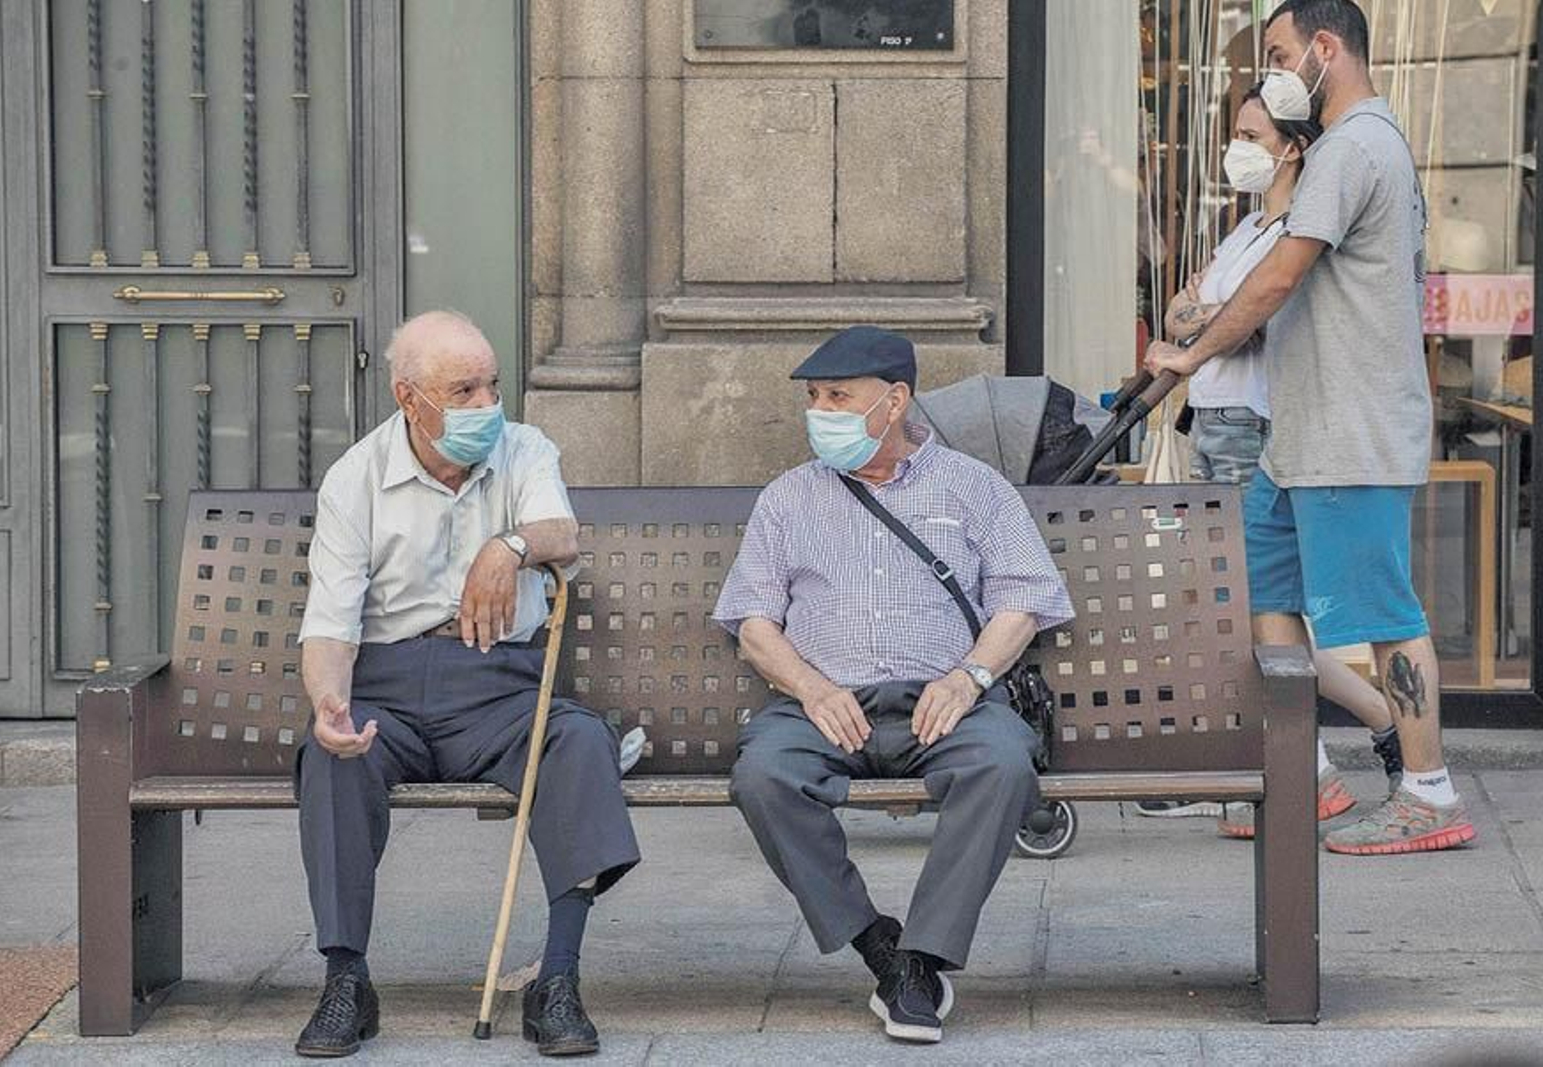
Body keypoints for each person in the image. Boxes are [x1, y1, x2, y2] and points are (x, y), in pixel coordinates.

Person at [1145, 0, 1475, 855]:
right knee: (1262, 601)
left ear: (1327, 50)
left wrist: (1191, 353)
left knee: (1385, 615)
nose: (1279, 71)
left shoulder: (1354, 148)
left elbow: (1276, 282)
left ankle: (1429, 792)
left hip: (1350, 431)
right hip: (1301, 437)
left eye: (1285, 54)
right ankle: (1307, 773)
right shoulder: (1353, 149)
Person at [293, 311, 640, 1057]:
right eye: (463, 389)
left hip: (499, 687)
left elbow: (562, 533)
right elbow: (330, 618)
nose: (487, 404)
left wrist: (508, 546)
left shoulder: (524, 450)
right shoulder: (356, 476)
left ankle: (557, 980)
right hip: (386, 684)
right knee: (331, 757)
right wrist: (329, 701)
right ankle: (345, 978)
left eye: (491, 384)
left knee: (578, 741)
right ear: (408, 397)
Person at [714, 326, 1074, 1043]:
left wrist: (969, 678)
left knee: (1003, 764)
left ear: (895, 400)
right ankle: (877, 944)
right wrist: (812, 688)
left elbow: (1024, 600)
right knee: (763, 776)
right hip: (821, 704)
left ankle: (925, 954)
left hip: (943, 699)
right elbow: (752, 622)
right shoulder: (789, 498)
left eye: (839, 397)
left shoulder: (973, 486)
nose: (822, 411)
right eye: (814, 398)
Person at [1136, 82, 1407, 836]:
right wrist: (1206, 318)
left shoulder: (1297, 233)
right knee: (1241, 612)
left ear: (1292, 146)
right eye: (1236, 133)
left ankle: (1292, 769)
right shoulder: (1247, 227)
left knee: (1236, 611)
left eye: (1252, 135)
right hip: (1213, 422)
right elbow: (1185, 312)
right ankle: (1374, 723)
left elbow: (1246, 320)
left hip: (1250, 425)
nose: (1238, 149)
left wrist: (1207, 319)